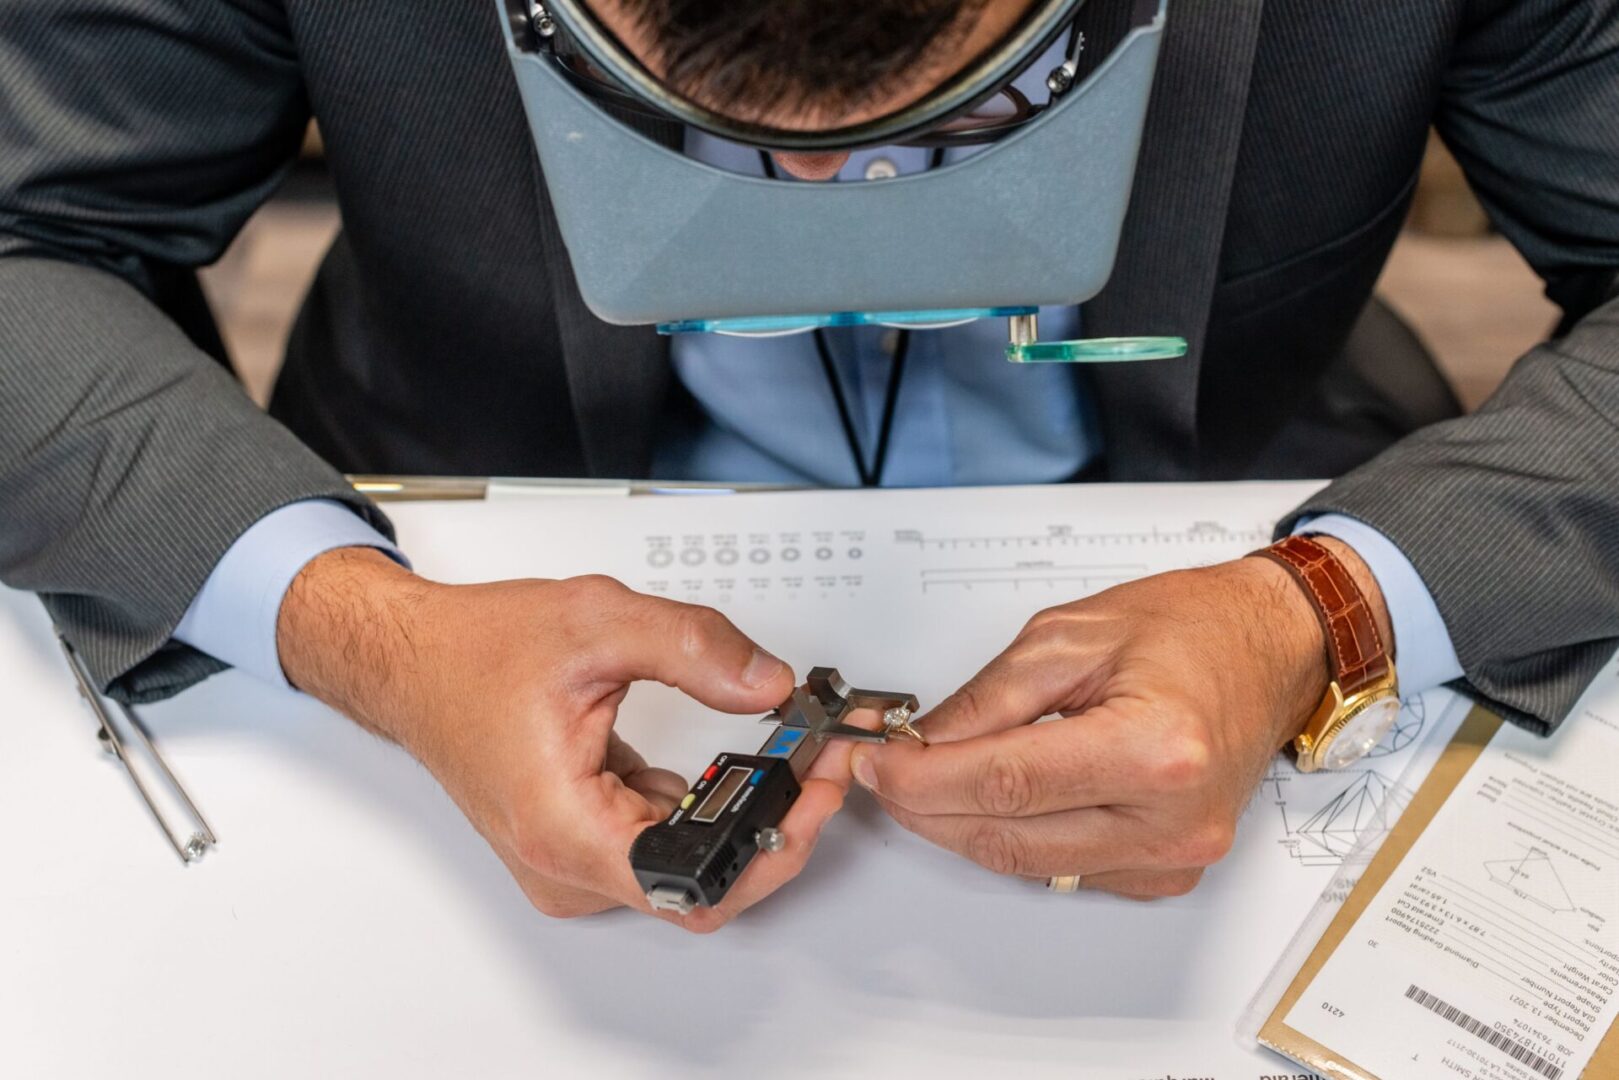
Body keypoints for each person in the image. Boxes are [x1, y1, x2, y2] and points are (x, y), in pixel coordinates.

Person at [1, 0, 1615, 931]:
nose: (825, 177)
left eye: (965, 99)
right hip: (471, 489)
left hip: (1240, 471)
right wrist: (362, 626)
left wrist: (1328, 608)